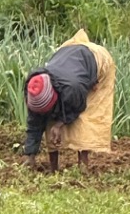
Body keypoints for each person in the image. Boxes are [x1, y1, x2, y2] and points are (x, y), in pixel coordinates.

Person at [24, 30, 115, 172]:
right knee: (50, 123)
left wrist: (60, 124)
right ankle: (53, 170)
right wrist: (30, 155)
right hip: (67, 53)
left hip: (96, 60)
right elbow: (34, 123)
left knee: (84, 120)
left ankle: (82, 168)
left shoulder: (73, 88)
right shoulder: (34, 88)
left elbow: (78, 106)